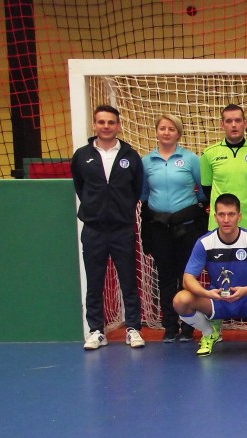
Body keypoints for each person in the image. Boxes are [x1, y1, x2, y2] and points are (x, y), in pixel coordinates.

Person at [173, 193, 247, 357]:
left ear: (239, 216)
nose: (226, 219)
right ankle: (209, 333)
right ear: (215, 217)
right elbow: (187, 279)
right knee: (180, 300)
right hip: (217, 300)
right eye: (222, 214)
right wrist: (207, 293)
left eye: (231, 214)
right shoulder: (204, 242)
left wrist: (246, 290)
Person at [71, 104, 144, 351]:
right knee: (94, 282)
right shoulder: (82, 156)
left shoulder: (130, 156)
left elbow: (136, 189)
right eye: (101, 122)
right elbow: (80, 186)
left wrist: (120, 209)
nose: (106, 126)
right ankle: (96, 330)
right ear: (95, 125)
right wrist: (96, 207)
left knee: (128, 281)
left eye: (111, 122)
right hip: (93, 229)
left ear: (118, 126)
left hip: (122, 229)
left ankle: (133, 328)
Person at [140, 113, 207, 343]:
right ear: (156, 132)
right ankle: (169, 325)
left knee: (187, 277)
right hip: (159, 228)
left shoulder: (191, 159)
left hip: (187, 228)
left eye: (171, 129)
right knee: (165, 277)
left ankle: (189, 326)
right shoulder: (147, 162)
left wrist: (188, 213)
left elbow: (203, 191)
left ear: (178, 133)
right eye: (162, 128)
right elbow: (144, 194)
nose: (166, 132)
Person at [200, 104, 247, 233]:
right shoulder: (208, 154)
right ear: (222, 125)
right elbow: (207, 189)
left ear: (245, 123)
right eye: (229, 121)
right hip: (219, 225)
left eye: (238, 120)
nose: (233, 125)